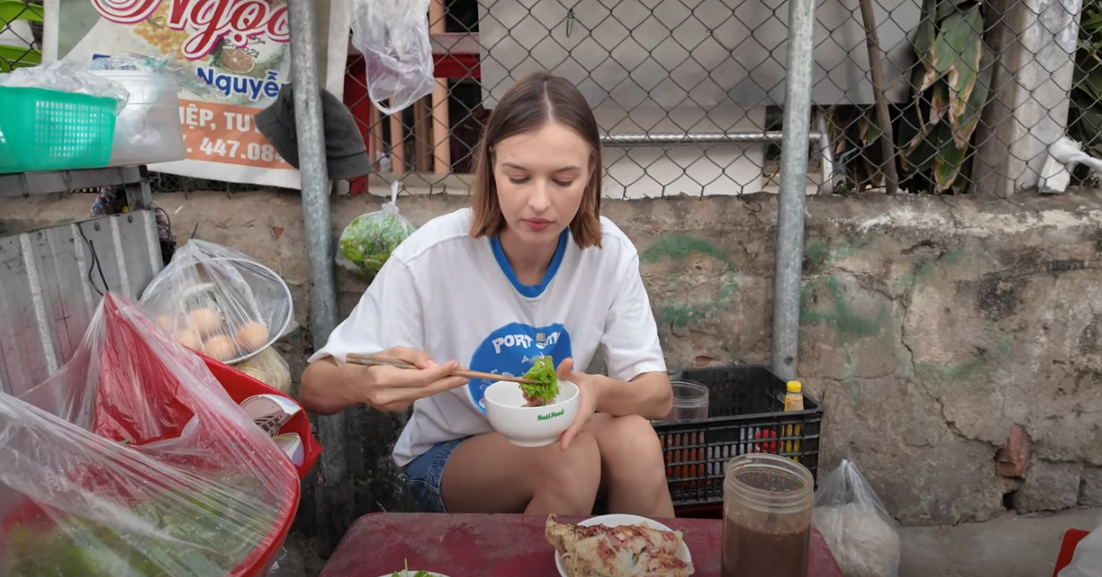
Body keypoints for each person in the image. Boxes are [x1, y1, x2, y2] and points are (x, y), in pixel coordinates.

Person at [299, 71, 675, 518]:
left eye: (563, 180)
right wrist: (366, 383)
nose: (539, 202)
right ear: (491, 166)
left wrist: (595, 389)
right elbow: (314, 387)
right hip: (449, 456)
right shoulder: (433, 256)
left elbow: (657, 395)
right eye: (518, 177)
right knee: (570, 458)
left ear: (591, 171)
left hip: (548, 434)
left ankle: (651, 562)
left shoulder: (607, 253)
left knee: (635, 440)